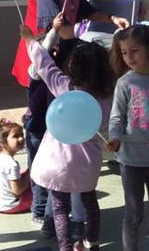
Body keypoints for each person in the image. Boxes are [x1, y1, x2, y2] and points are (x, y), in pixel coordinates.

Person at [11, 0, 128, 228]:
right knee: (41, 130)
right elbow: (56, 27)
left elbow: (85, 10)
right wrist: (79, 47)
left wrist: (111, 18)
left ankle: (55, 212)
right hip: (42, 62)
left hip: (63, 64)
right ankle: (41, 207)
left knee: (61, 133)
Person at [21, 13, 114, 251]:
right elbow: (112, 123)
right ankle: (91, 243)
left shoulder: (64, 87)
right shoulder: (106, 96)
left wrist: (30, 40)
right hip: (87, 161)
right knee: (90, 203)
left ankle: (65, 246)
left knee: (60, 207)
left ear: (74, 67)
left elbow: (44, 65)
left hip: (58, 160)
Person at [107, 25, 149, 251]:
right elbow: (116, 118)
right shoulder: (124, 83)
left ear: (148, 48)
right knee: (133, 211)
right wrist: (115, 138)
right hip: (131, 160)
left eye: (134, 50)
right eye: (124, 52)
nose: (129, 57)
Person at [0, 119, 32, 214]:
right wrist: (29, 176)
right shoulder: (11, 164)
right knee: (41, 190)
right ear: (2, 143)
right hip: (11, 205)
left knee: (24, 173)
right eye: (16, 136)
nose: (21, 139)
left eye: (22, 135)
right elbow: (17, 191)